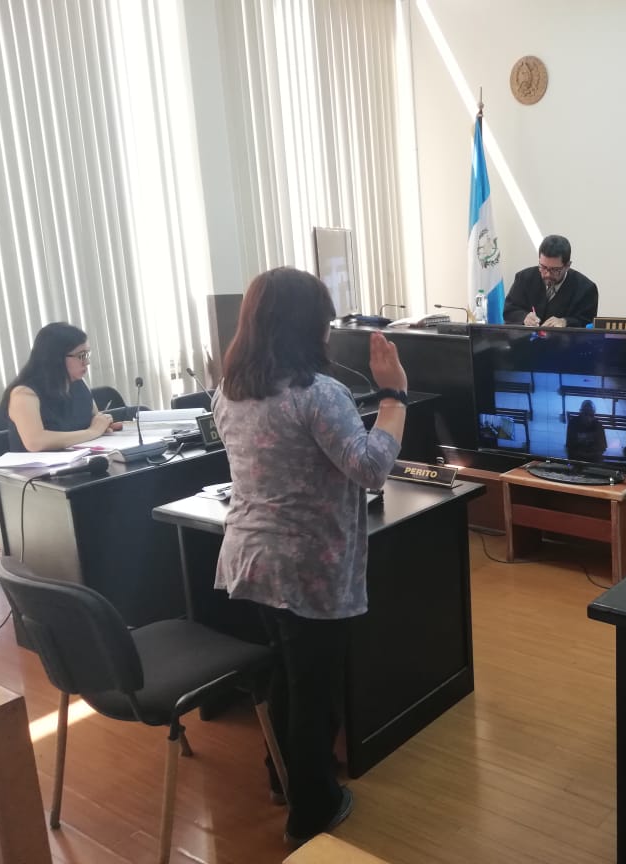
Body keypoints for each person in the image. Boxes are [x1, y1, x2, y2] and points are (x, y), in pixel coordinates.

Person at [212, 267, 407, 845]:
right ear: (310, 326)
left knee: (287, 676)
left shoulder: (229, 388)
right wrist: (394, 394)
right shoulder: (320, 394)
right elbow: (371, 470)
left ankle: (282, 778)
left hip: (250, 557)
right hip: (310, 567)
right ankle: (312, 810)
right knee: (314, 690)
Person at [0, 322, 121, 452]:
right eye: (81, 356)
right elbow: (35, 442)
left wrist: (104, 426)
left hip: (81, 461)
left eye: (87, 354)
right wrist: (93, 432)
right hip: (38, 469)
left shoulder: (79, 383)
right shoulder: (24, 394)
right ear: (55, 357)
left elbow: (95, 422)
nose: (87, 362)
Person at [503, 234, 599, 327]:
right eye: (543, 267)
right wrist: (524, 317)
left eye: (555, 270)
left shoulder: (586, 289)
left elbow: (587, 321)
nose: (548, 274)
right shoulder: (524, 278)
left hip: (564, 342)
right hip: (525, 341)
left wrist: (565, 321)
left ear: (567, 266)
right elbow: (509, 310)